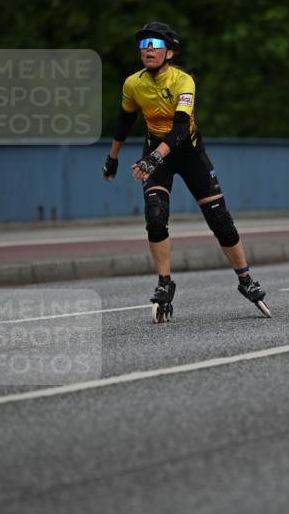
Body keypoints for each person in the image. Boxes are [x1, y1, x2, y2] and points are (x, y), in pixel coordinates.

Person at [102, 22, 269, 319]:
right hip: (157, 155)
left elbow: (181, 129)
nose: (148, 50)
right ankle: (164, 284)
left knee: (220, 219)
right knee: (155, 214)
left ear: (169, 52)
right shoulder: (132, 84)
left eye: (155, 45)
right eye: (144, 45)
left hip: (188, 153)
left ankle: (246, 280)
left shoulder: (183, 81)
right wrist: (113, 158)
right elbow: (123, 122)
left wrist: (152, 159)